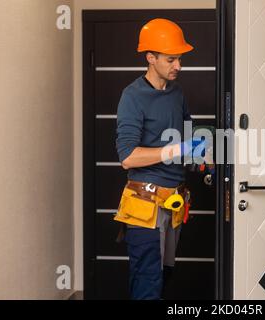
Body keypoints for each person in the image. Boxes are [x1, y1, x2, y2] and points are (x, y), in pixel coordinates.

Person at [113, 18, 204, 300]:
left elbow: (188, 134)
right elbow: (127, 157)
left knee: (164, 278)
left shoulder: (176, 93)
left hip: (173, 203)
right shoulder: (133, 96)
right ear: (150, 58)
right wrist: (177, 150)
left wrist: (204, 150)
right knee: (148, 283)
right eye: (171, 59)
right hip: (145, 206)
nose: (179, 66)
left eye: (180, 59)